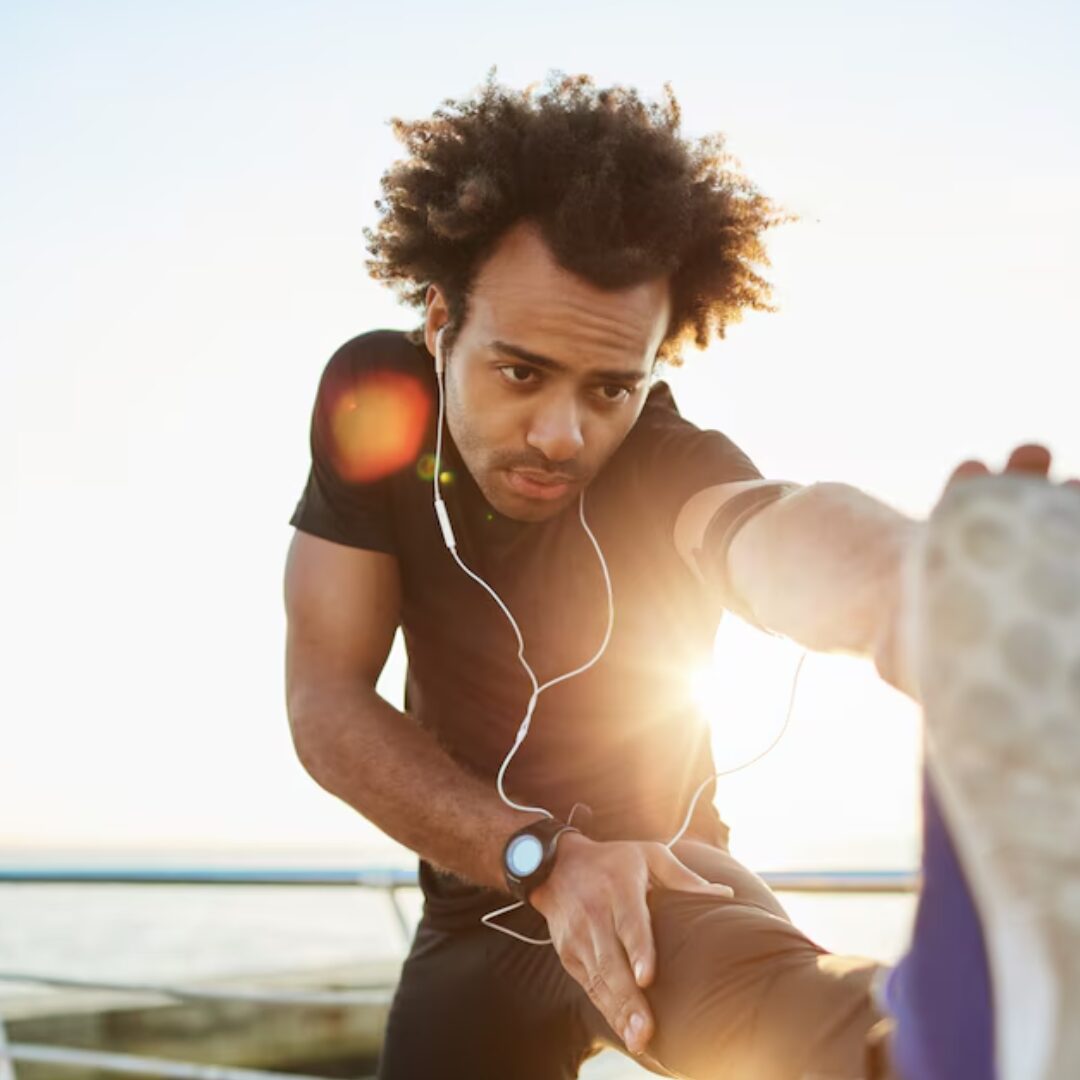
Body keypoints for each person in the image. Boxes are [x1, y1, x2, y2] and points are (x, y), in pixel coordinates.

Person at [283, 70, 1080, 1079]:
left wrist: (923, 592)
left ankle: (970, 1027)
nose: (565, 435)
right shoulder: (378, 402)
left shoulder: (663, 459)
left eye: (612, 387)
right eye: (521, 372)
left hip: (657, 882)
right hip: (473, 912)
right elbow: (324, 697)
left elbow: (762, 531)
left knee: (833, 1039)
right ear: (440, 322)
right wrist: (538, 858)